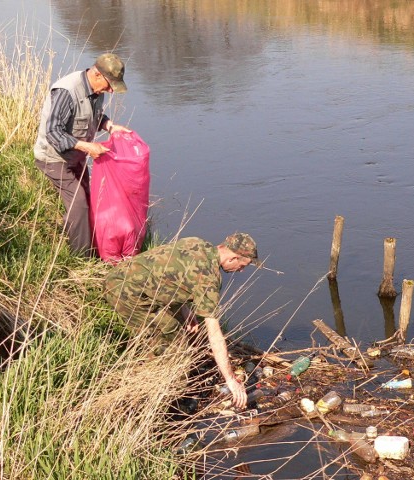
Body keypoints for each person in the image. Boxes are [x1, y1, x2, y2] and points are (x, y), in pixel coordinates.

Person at [103, 233, 261, 409]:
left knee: (177, 327)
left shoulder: (197, 243)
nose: (241, 270)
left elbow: (171, 275)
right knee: (175, 344)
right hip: (126, 294)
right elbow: (215, 335)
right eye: (242, 265)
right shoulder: (209, 280)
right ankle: (154, 394)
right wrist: (231, 380)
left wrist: (184, 310)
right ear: (233, 257)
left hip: (119, 275)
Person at [34, 53, 132, 257]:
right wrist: (88, 147)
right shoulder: (66, 91)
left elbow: (94, 116)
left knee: (89, 199)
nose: (111, 90)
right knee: (79, 203)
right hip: (53, 158)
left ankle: (77, 236)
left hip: (75, 156)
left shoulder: (97, 90)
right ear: (97, 73)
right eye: (109, 84)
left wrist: (110, 126)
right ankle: (81, 259)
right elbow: (54, 132)